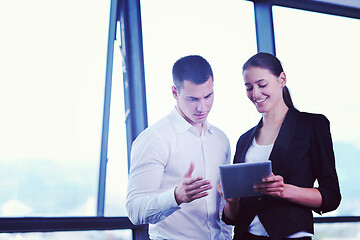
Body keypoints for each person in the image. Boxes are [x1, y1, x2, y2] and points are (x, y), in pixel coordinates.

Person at [219, 52, 341, 240]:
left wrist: (284, 190)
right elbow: (232, 217)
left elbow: (331, 196)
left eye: (262, 85)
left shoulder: (312, 125)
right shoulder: (244, 140)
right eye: (249, 87)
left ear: (282, 79)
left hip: (290, 235)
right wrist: (231, 201)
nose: (255, 93)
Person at [126, 55, 233, 240]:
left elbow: (222, 205)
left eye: (208, 96)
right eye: (192, 99)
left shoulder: (221, 140)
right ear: (175, 92)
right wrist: (175, 196)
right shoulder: (154, 139)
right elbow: (135, 210)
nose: (202, 107)